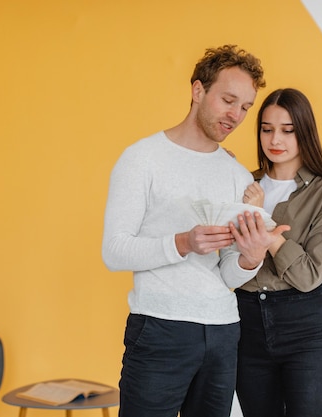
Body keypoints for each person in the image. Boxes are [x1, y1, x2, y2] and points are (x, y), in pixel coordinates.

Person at [101, 44, 289, 417]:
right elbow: (114, 251)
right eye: (228, 100)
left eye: (246, 107)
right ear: (198, 91)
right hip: (160, 328)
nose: (235, 115)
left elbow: (227, 272)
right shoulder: (142, 158)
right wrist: (183, 242)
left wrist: (251, 257)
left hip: (223, 331)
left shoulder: (235, 174)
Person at [236, 88, 322, 417]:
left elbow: (310, 275)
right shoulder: (242, 184)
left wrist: (264, 227)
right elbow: (225, 260)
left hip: (305, 327)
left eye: (287, 130)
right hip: (246, 323)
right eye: (267, 128)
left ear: (304, 132)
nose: (275, 139)